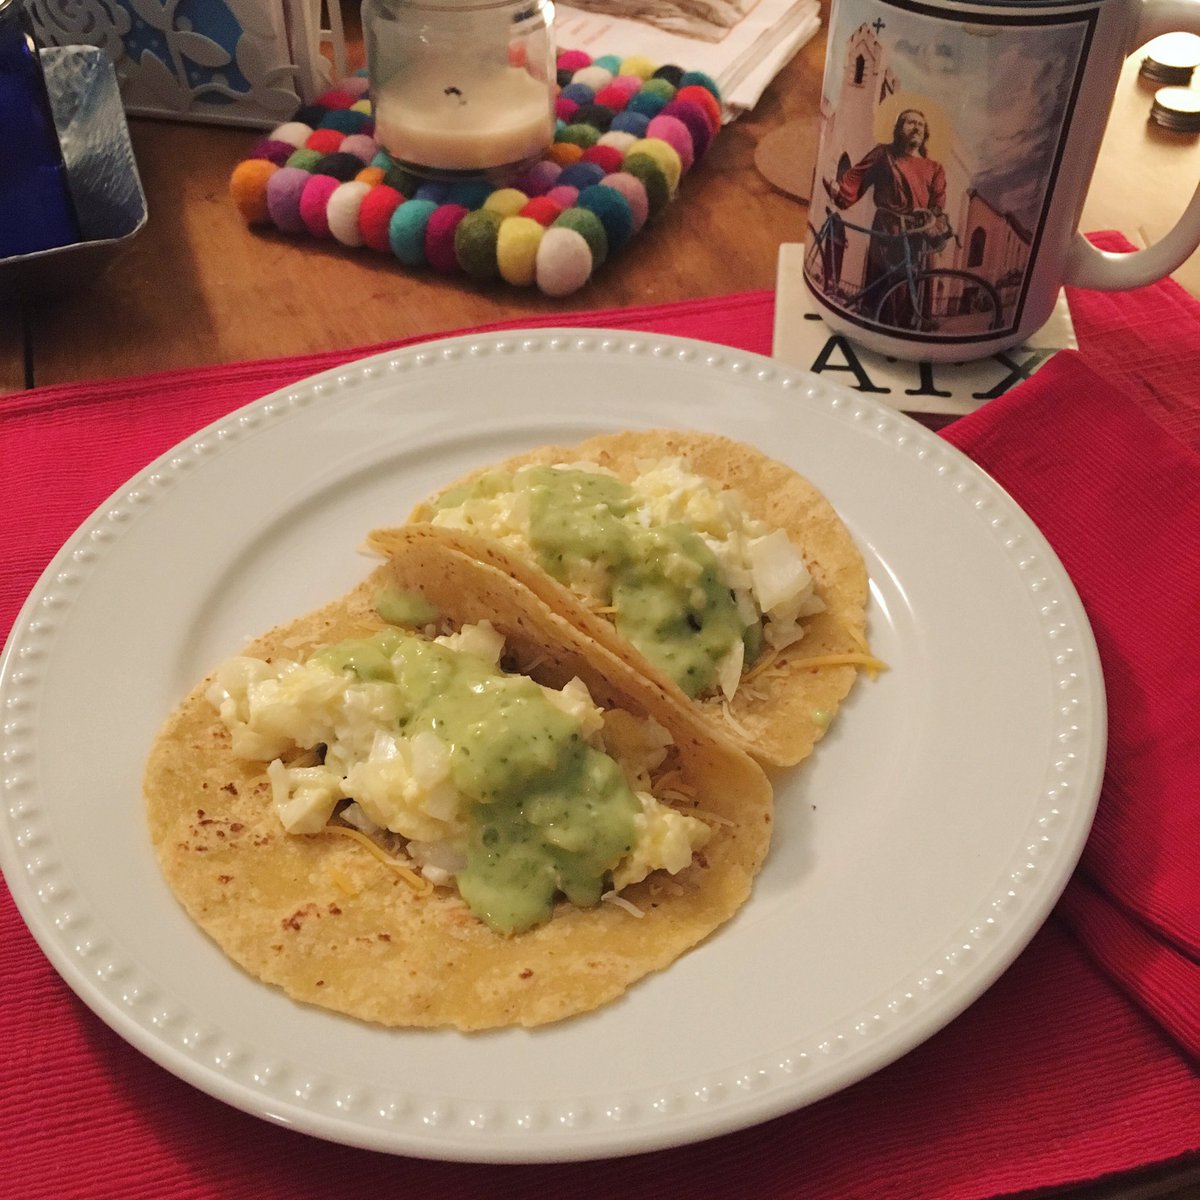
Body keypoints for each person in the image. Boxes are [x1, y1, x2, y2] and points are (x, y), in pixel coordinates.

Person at [823, 110, 949, 326]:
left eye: (920, 123)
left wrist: (934, 224)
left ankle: (911, 330)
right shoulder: (884, 155)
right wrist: (840, 193)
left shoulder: (935, 168)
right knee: (884, 286)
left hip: (918, 233)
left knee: (913, 286)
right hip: (888, 230)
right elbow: (858, 177)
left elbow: (938, 203)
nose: (916, 127)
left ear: (925, 132)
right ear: (900, 128)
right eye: (910, 122)